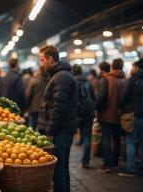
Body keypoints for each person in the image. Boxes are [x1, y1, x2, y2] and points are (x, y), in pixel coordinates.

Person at [38, 45, 78, 192]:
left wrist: (49, 131)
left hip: (61, 130)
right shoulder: (61, 75)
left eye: (42, 60)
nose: (41, 64)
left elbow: (59, 108)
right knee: (63, 167)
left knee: (59, 170)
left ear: (50, 59)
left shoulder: (61, 77)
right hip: (64, 129)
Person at [118, 60, 143, 177]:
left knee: (130, 142)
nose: (131, 69)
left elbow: (124, 96)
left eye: (132, 67)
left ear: (136, 68)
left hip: (134, 115)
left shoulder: (132, 80)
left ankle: (131, 169)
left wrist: (120, 107)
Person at [96, 58, 126, 173]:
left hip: (107, 114)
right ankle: (115, 162)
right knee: (117, 139)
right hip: (119, 115)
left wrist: (96, 106)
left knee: (106, 139)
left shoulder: (106, 79)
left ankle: (107, 164)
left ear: (112, 66)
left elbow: (102, 96)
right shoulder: (125, 79)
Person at [72, 64, 95, 169]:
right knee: (87, 137)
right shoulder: (88, 83)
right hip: (88, 113)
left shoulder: (73, 82)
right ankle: (86, 161)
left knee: (76, 134)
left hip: (77, 114)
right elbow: (93, 98)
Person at [26, 66, 48, 131]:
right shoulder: (50, 80)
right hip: (45, 108)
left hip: (34, 108)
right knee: (43, 128)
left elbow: (28, 95)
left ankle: (32, 140)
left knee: (32, 127)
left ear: (39, 71)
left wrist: (27, 107)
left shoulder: (34, 80)